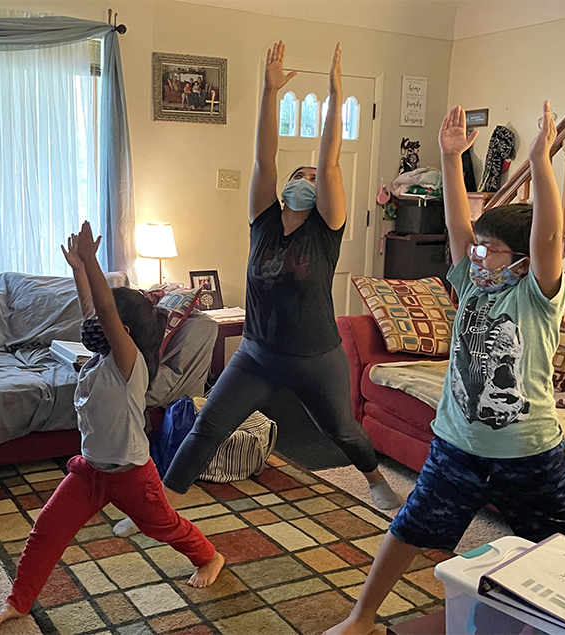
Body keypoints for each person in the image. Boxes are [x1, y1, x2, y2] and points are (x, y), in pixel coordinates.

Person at [113, 41, 399, 538]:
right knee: (207, 429)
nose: (308, 181)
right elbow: (263, 158)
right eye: (301, 176)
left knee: (344, 431)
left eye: (314, 179)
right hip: (257, 354)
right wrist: (269, 92)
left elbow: (330, 164)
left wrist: (335, 94)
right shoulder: (263, 221)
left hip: (316, 357)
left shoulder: (324, 232)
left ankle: (376, 481)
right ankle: (156, 512)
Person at [324, 102, 565, 635]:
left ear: (522, 260)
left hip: (528, 455)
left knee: (560, 549)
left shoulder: (536, 296)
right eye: (477, 248)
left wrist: (542, 163)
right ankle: (361, 617)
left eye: (490, 250)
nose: (475, 256)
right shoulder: (471, 284)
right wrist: (448, 154)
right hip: (456, 444)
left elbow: (549, 238)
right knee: (411, 525)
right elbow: (457, 223)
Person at [0, 221, 225, 629]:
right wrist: (80, 269)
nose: (94, 320)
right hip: (91, 470)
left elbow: (106, 311)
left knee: (164, 526)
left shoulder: (127, 365)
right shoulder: (101, 358)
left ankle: (209, 555)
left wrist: (96, 264)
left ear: (124, 333)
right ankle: (18, 601)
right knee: (46, 530)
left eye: (105, 319)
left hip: (132, 475)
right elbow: (93, 310)